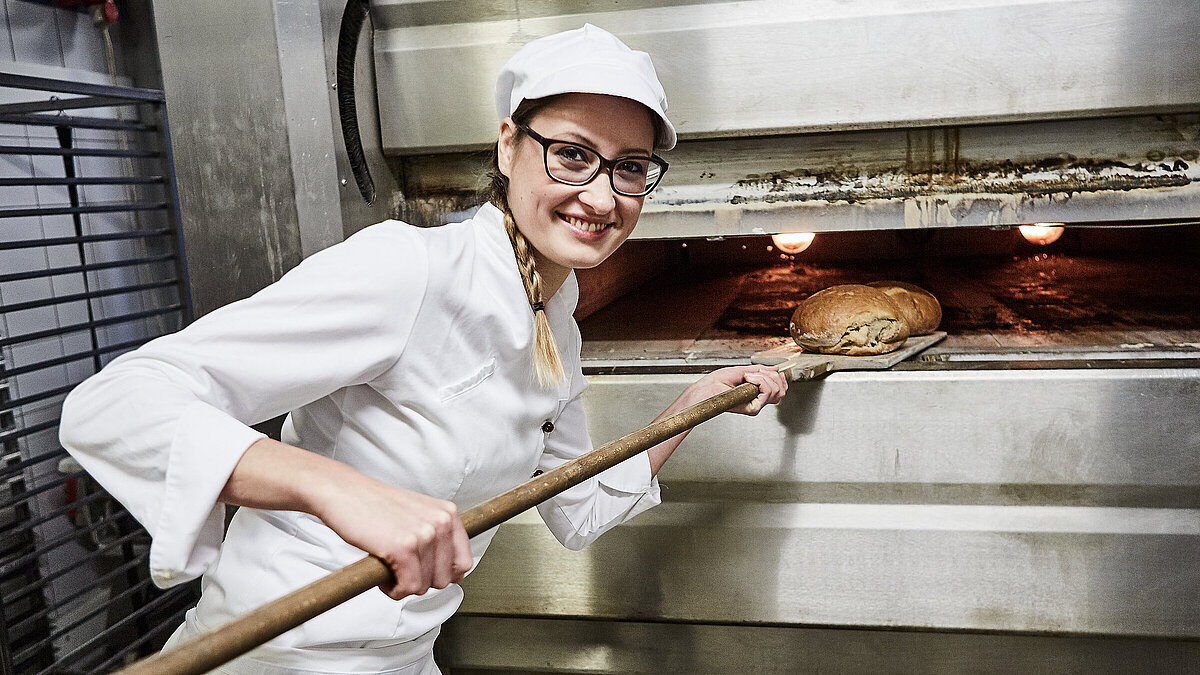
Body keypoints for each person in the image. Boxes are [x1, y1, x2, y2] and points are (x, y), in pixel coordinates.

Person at [59, 24, 787, 675]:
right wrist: (335, 489)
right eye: (571, 155)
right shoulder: (410, 272)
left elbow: (580, 508)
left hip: (403, 657)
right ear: (509, 144)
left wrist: (692, 406)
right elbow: (115, 404)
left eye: (629, 167)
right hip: (279, 650)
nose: (601, 197)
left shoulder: (554, 325)